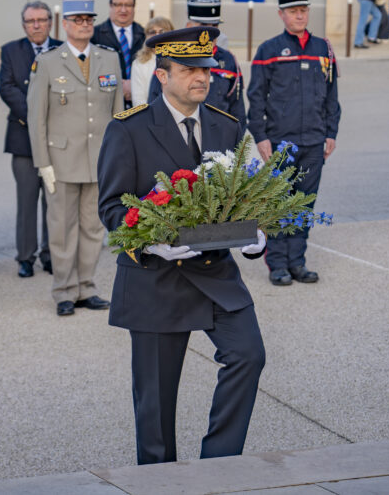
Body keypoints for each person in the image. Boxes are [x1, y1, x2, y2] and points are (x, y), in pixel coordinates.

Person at [97, 26, 268, 465]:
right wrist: (150, 245)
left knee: (248, 356)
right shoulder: (130, 130)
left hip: (214, 275)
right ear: (161, 75)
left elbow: (245, 192)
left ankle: (219, 464)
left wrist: (255, 236)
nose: (202, 78)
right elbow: (112, 207)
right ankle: (160, 483)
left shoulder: (226, 126)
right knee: (155, 403)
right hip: (156, 278)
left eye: (206, 69)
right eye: (189, 70)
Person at [28, 0, 122, 316]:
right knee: (62, 229)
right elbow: (37, 116)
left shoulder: (108, 59)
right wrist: (43, 163)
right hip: (62, 161)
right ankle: (64, 291)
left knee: (93, 228)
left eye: (88, 20)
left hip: (99, 160)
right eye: (77, 20)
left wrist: (118, 157)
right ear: (65, 24)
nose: (84, 25)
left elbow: (117, 113)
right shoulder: (49, 62)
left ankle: (86, 287)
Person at [247, 0, 340, 286]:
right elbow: (256, 97)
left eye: (303, 10)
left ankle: (297, 262)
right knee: (278, 203)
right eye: (292, 11)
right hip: (279, 142)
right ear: (281, 14)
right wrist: (260, 136)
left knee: (303, 204)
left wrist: (331, 133)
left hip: (313, 141)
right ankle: (277, 264)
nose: (299, 15)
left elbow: (331, 96)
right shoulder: (269, 51)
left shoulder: (323, 49)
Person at [0, 1, 62, 278]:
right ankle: (25, 257)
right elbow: (6, 87)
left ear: (50, 22)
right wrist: (36, 115)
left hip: (57, 140)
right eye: (30, 21)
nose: (35, 25)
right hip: (23, 139)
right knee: (26, 202)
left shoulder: (62, 49)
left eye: (41, 20)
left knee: (54, 201)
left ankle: (50, 255)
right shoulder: (11, 50)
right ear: (24, 24)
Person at [146, 0, 246, 129]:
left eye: (214, 26)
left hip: (220, 135)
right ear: (189, 26)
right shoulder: (173, 56)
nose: (209, 32)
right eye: (203, 25)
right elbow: (155, 99)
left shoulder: (228, 59)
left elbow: (237, 109)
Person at [93, 0, 145, 104]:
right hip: (106, 104)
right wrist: (119, 85)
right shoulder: (95, 35)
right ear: (110, 5)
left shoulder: (144, 35)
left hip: (138, 106)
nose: (123, 10)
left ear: (134, 7)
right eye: (118, 5)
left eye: (128, 5)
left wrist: (135, 85)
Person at [131, 16, 173, 106]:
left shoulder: (179, 60)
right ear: (146, 36)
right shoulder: (139, 64)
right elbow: (138, 99)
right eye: (152, 32)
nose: (157, 35)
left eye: (162, 31)